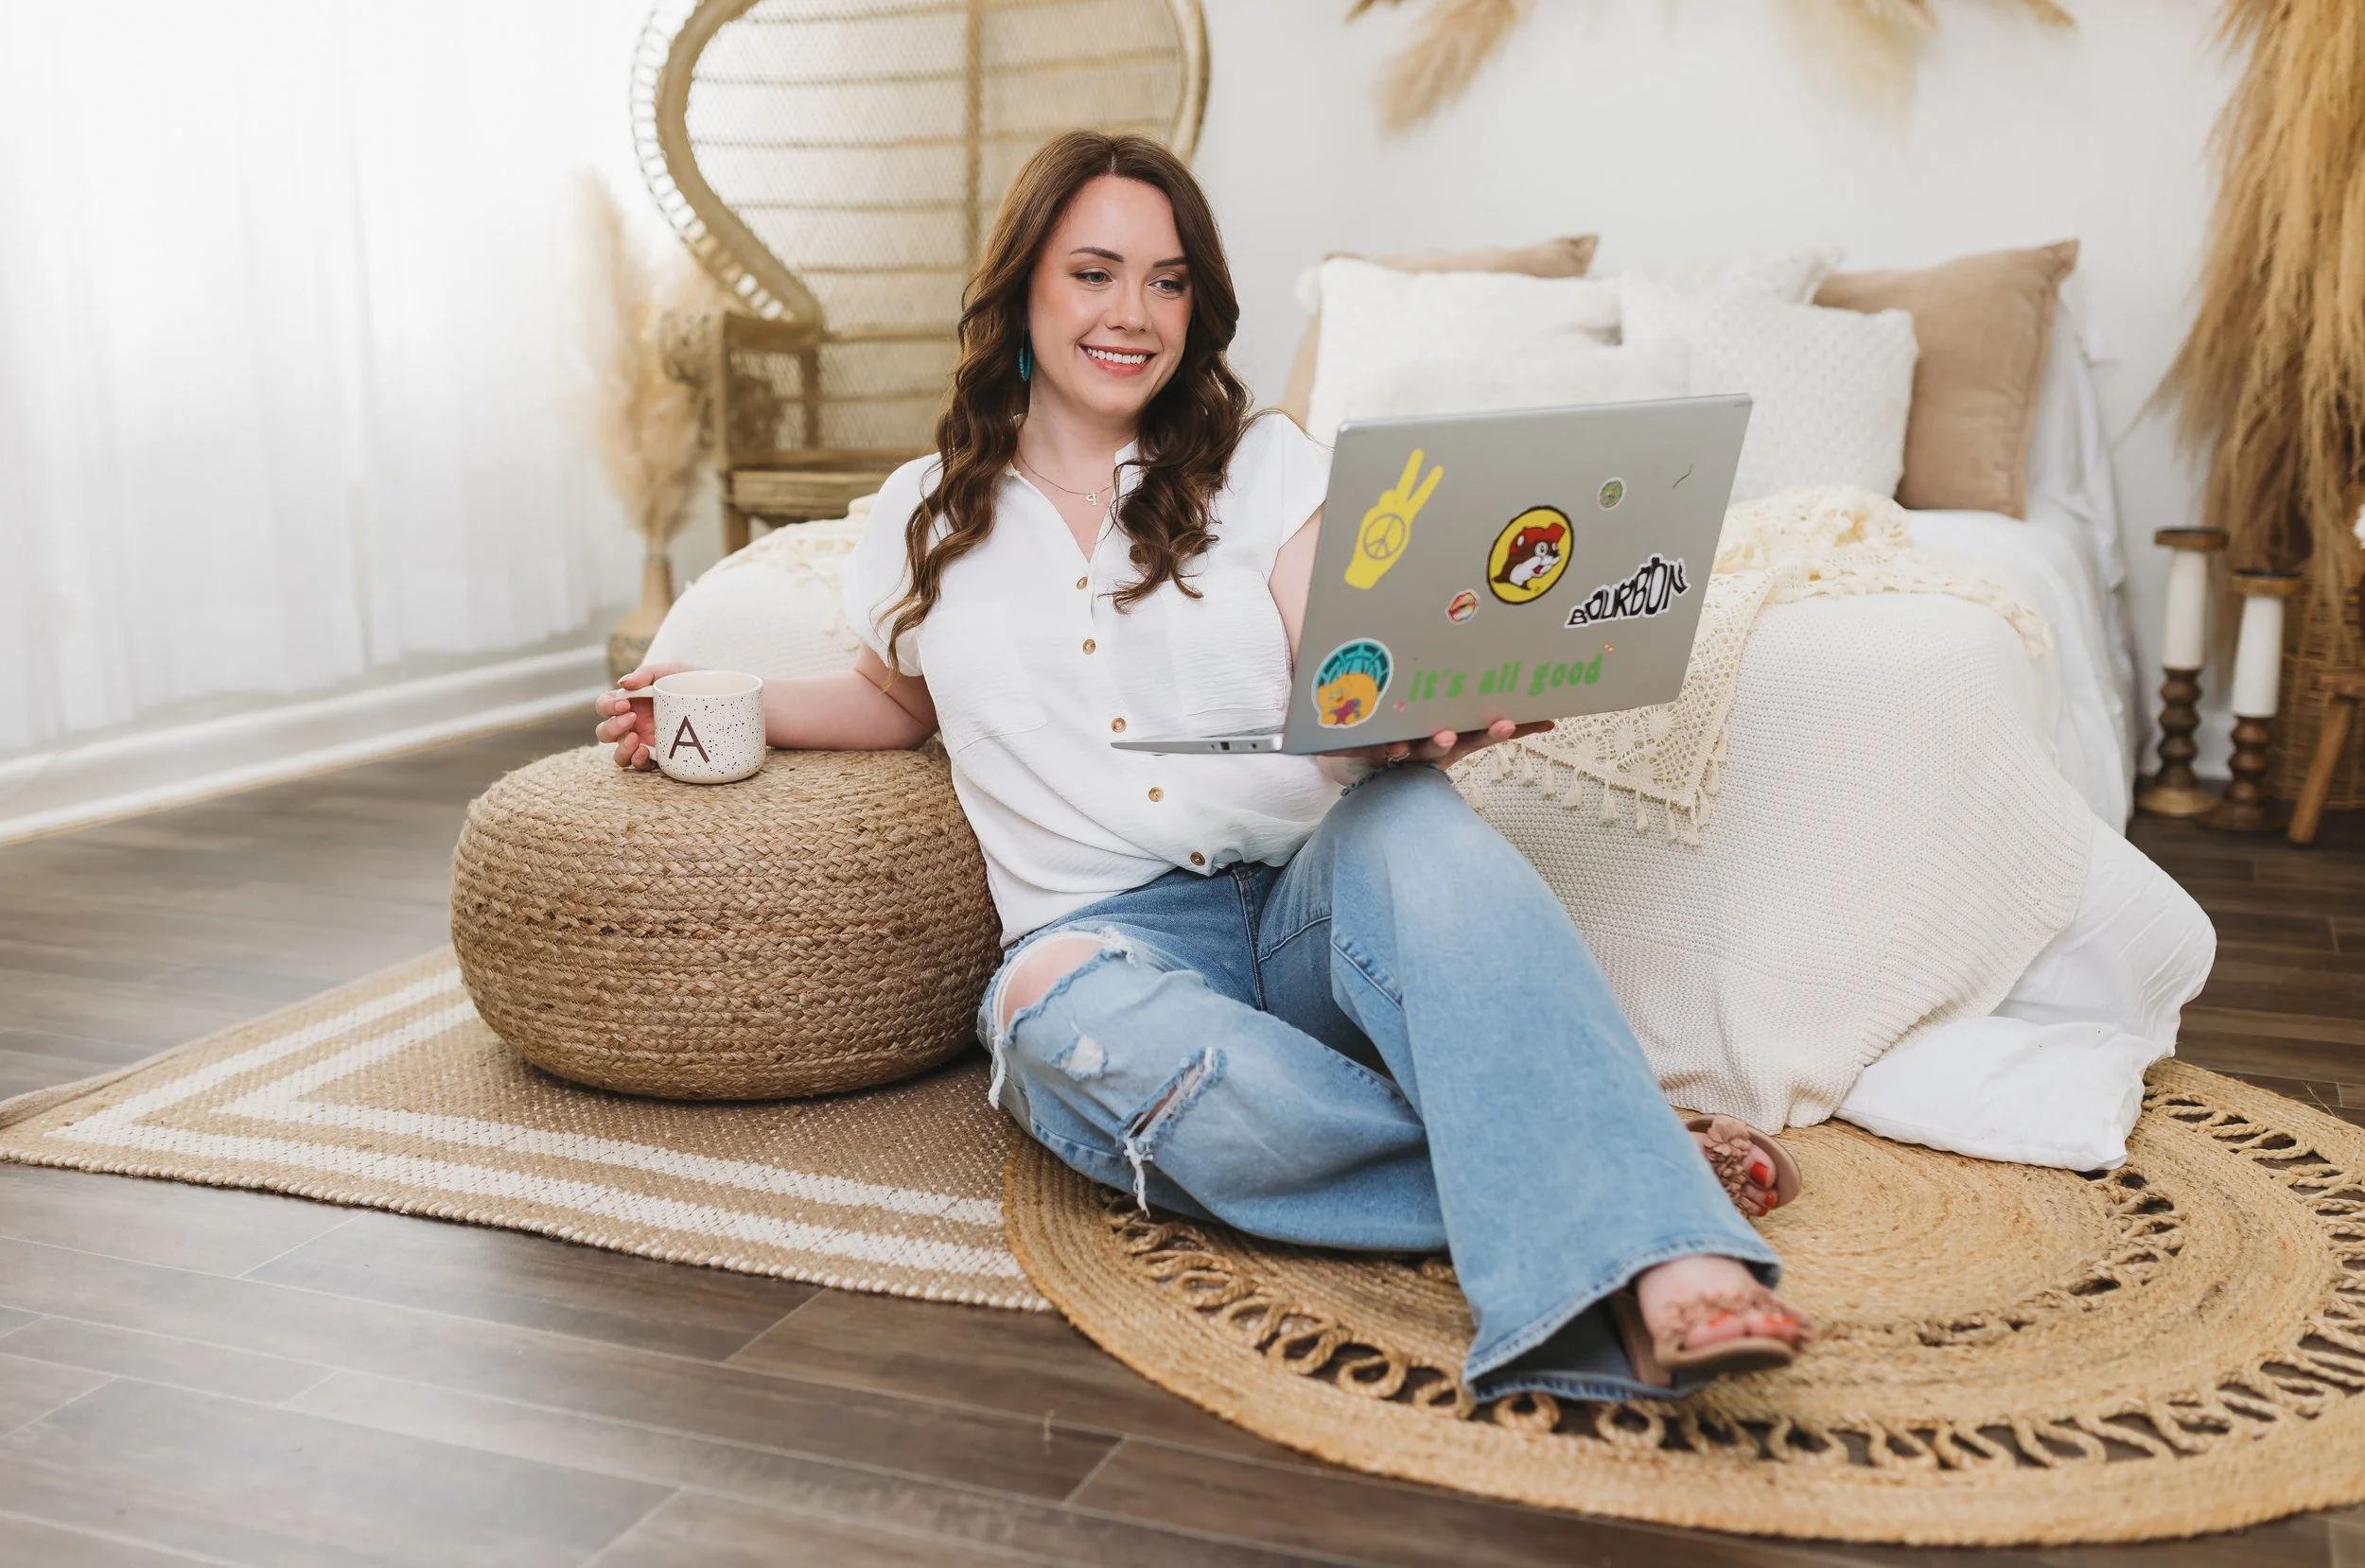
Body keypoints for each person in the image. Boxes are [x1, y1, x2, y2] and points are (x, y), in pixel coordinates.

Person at [595, 131, 1811, 1400]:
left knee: (1413, 822)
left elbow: (1339, 668)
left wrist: (1411, 718)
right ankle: (1629, 1178)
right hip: (1113, 950)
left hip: (1305, 911)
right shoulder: (923, 516)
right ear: (1021, 289)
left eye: (1169, 282)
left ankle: (1656, 1249)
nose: (1134, 314)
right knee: (1049, 1013)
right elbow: (891, 701)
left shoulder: (1269, 467)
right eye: (1095, 273)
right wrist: (716, 691)